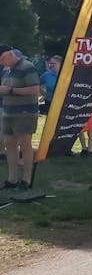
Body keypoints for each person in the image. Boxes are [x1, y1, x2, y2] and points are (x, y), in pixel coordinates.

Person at [0, 46, 41, 190]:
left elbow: (35, 90)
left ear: (10, 55)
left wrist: (10, 90)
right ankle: (12, 179)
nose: (2, 63)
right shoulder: (8, 70)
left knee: (25, 144)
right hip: (8, 112)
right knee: (9, 144)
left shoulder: (27, 67)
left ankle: (26, 179)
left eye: (3, 59)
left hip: (25, 112)